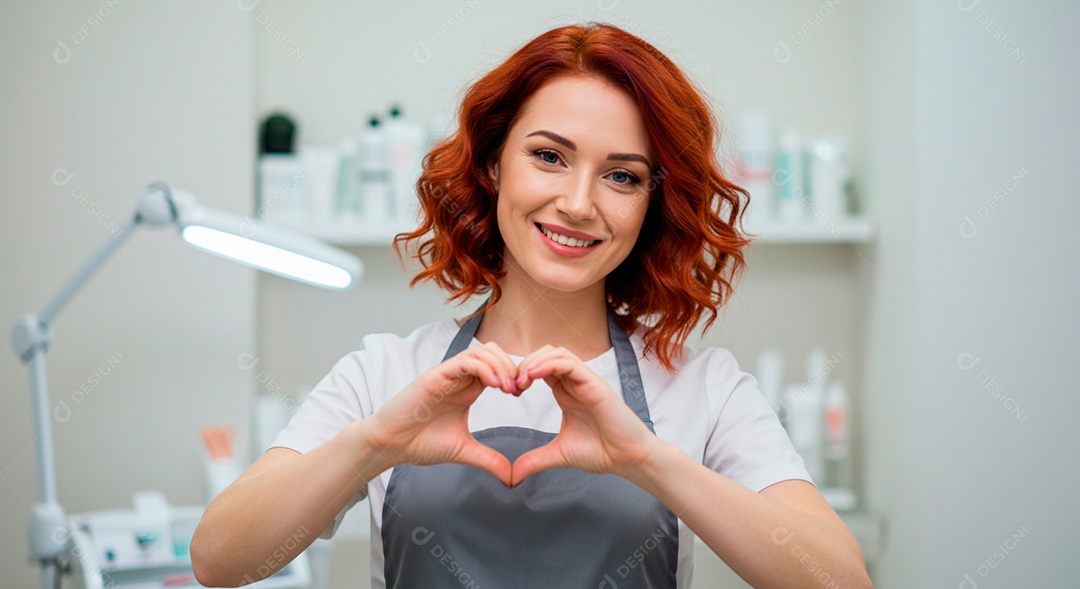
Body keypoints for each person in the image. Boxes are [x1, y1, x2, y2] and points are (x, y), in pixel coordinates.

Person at [191, 23, 872, 589]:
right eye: (549, 156)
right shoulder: (387, 374)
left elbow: (841, 579)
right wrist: (376, 444)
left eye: (622, 175)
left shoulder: (704, 387)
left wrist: (647, 458)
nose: (579, 203)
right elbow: (219, 559)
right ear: (493, 166)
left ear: (651, 202)